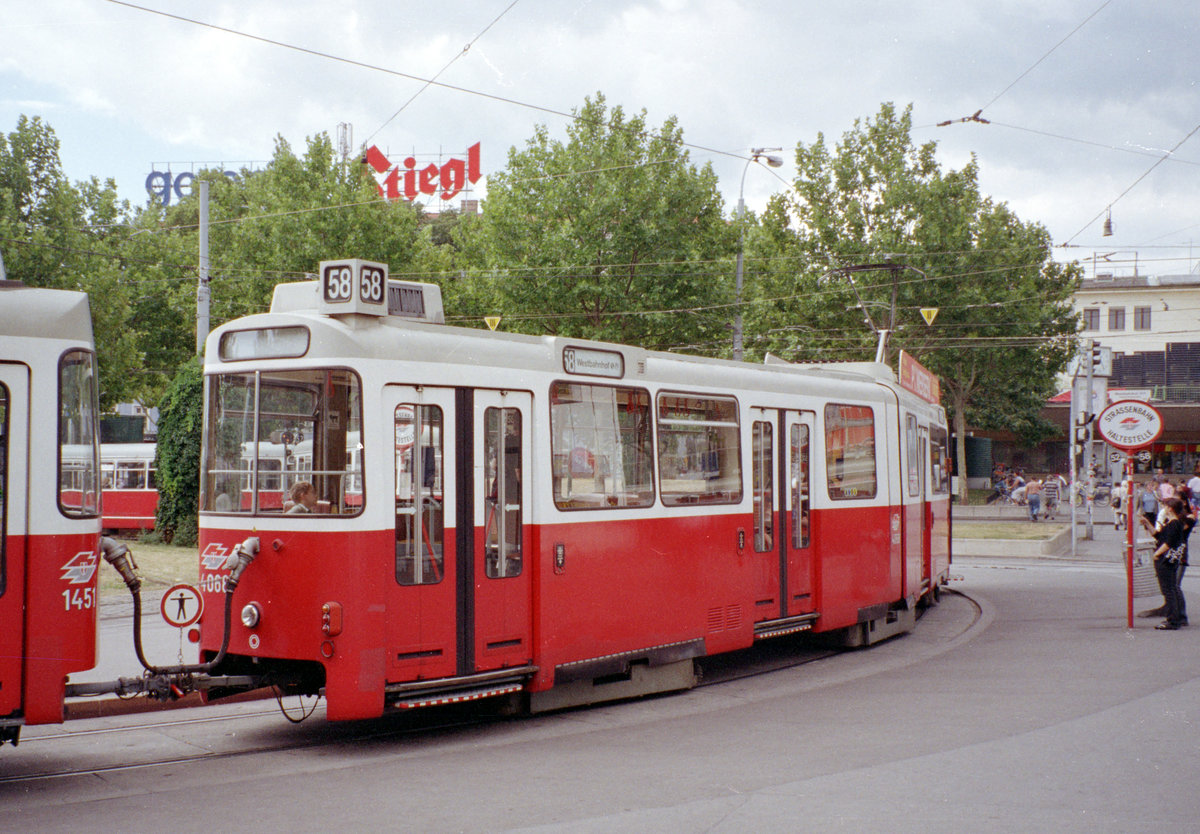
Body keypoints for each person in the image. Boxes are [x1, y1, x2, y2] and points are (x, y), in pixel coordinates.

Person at [1140, 496, 1192, 630]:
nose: (1164, 508)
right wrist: (1147, 523)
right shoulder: (1173, 523)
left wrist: (1157, 554)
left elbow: (1169, 543)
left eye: (1165, 506)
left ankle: (1172, 620)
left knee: (1168, 589)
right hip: (1169, 560)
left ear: (1170, 508)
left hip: (1166, 560)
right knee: (1171, 588)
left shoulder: (1175, 524)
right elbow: (1158, 536)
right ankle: (1175, 617)